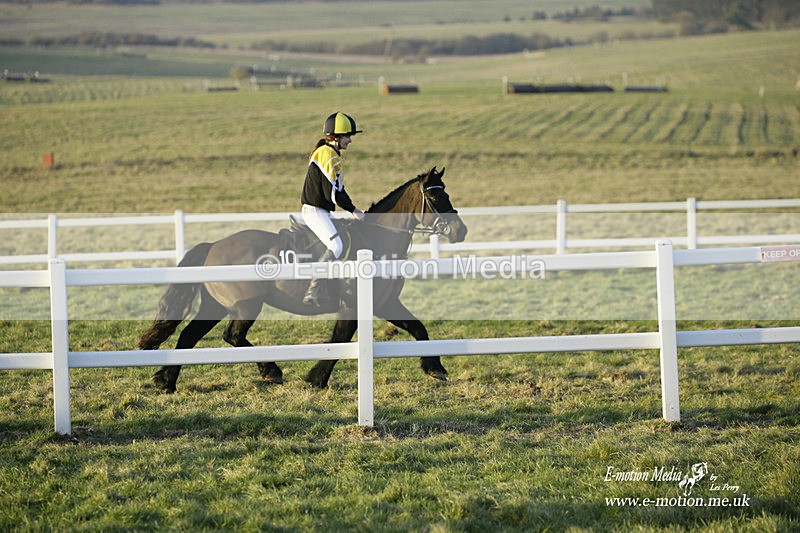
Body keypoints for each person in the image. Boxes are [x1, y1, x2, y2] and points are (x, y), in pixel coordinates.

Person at [301, 112, 366, 306]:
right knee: (337, 246)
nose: (350, 141)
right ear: (336, 137)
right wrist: (355, 211)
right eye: (348, 136)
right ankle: (313, 290)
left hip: (321, 211)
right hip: (315, 211)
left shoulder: (330, 153)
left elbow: (340, 190)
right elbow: (335, 195)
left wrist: (354, 210)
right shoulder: (327, 154)